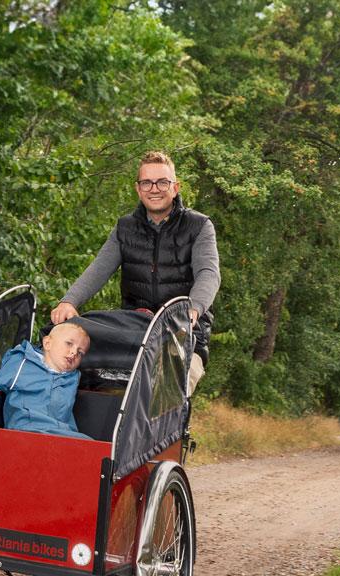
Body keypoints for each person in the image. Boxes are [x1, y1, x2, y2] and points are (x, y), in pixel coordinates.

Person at [50, 150, 219, 393]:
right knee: (82, 372)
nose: (154, 189)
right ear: (138, 189)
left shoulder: (199, 226)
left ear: (175, 187)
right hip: (133, 331)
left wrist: (192, 309)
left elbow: (209, 273)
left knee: (167, 393)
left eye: (162, 182)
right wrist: (69, 301)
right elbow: (98, 269)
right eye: (147, 182)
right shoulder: (125, 228)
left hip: (183, 333)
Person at [0, 322, 92, 439]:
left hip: (62, 433)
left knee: (92, 446)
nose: (74, 352)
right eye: (69, 343)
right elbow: (0, 381)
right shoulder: (24, 362)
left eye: (80, 352)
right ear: (47, 343)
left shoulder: (72, 377)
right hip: (27, 428)